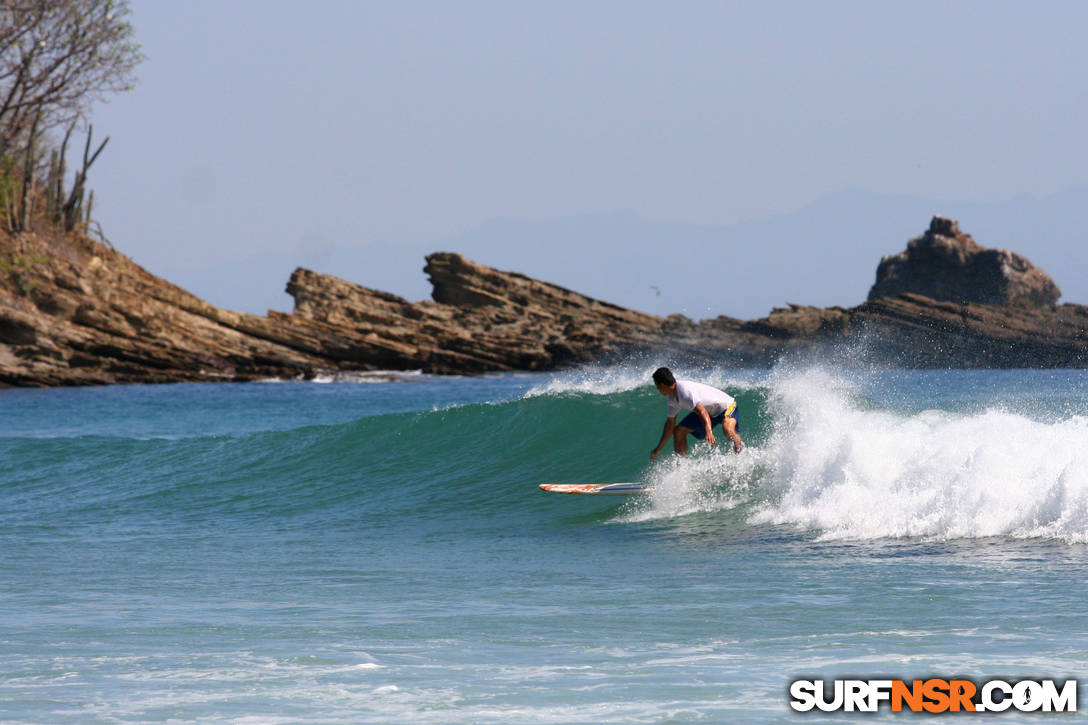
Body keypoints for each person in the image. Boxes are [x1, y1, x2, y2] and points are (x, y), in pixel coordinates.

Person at [649, 367, 744, 459]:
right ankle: (681, 465)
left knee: (728, 430)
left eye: (657, 387)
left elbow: (702, 411)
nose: (658, 390)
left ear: (662, 385)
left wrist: (709, 432)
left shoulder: (684, 390)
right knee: (678, 431)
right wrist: (659, 449)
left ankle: (741, 455)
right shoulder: (672, 399)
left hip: (726, 406)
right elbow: (670, 425)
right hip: (709, 412)